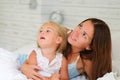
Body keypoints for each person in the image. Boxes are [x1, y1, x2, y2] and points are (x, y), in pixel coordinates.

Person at [20, 18, 112, 80]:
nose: (75, 33)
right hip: (27, 59)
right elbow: (38, 52)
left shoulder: (85, 61)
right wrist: (24, 67)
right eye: (80, 26)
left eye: (84, 35)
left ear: (90, 46)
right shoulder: (63, 33)